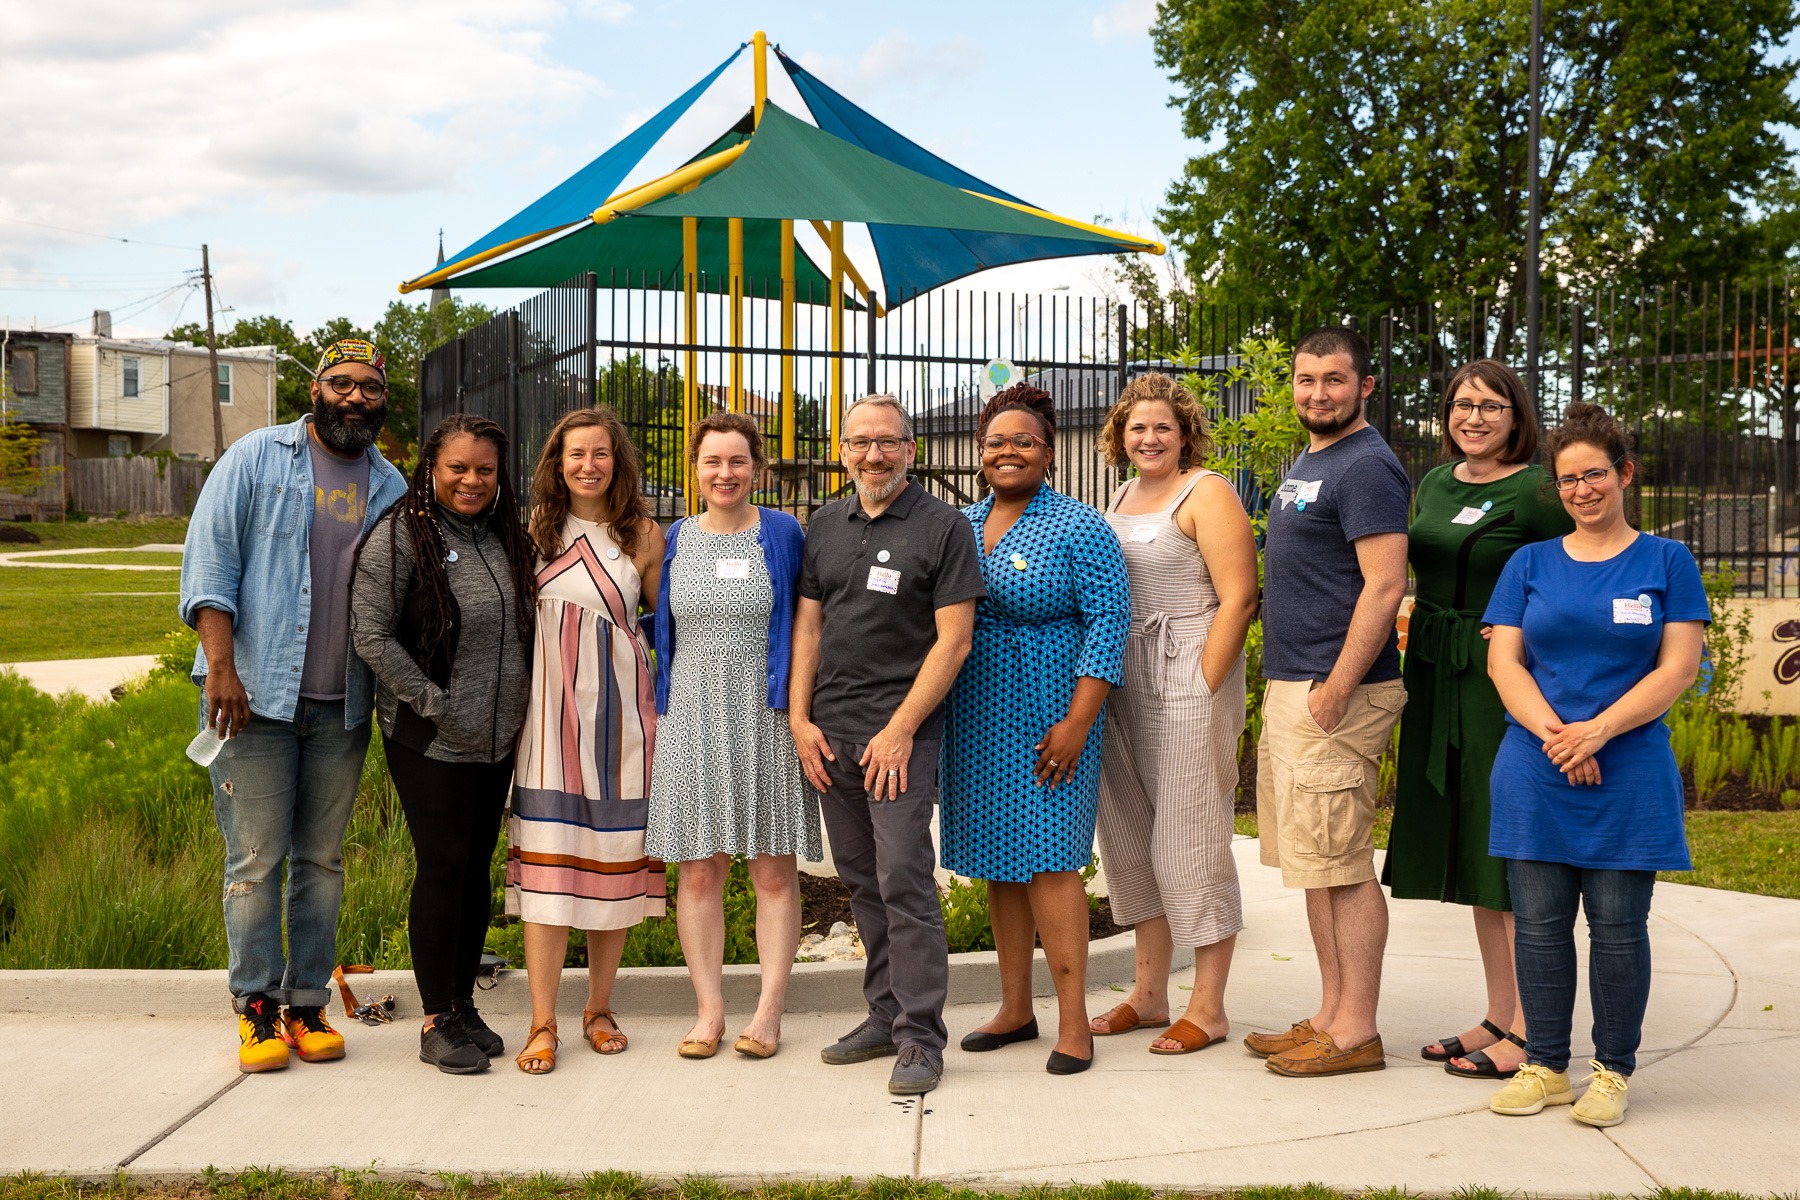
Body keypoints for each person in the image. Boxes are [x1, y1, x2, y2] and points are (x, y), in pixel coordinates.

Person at [178, 337, 407, 1073]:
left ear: (381, 400)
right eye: (341, 384)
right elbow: (211, 564)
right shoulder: (253, 458)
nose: (354, 398)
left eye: (368, 388)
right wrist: (221, 668)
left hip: (343, 708)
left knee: (322, 860)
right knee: (253, 860)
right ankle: (254, 1011)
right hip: (253, 700)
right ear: (315, 389)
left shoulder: (391, 487)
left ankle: (306, 1005)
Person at [1482, 402, 1708, 1128]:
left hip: (1629, 768)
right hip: (1535, 765)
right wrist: (1561, 737)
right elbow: (1503, 661)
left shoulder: (1666, 561)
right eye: (1569, 479)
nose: (1582, 490)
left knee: (1617, 928)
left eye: (1596, 475)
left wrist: (1598, 733)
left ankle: (1612, 1070)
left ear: (1625, 475)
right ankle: (1546, 1064)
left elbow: (1677, 668)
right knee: (1540, 926)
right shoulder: (1530, 562)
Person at [790, 392, 986, 1096]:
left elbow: (955, 640)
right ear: (842, 450)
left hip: (900, 738)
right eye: (859, 442)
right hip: (831, 736)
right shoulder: (824, 524)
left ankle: (920, 1040)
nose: (873, 454)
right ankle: (883, 1016)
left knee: (904, 880)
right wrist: (799, 720)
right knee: (863, 883)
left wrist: (901, 731)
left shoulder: (944, 528)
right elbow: (808, 630)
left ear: (912, 450)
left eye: (888, 442)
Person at [1382, 360, 1572, 1081]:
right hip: (1436, 671)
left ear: (1517, 415)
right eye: (1463, 405)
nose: (1475, 418)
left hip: (1501, 681)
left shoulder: (1538, 490)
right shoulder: (1434, 483)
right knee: (1469, 841)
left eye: (1492, 406)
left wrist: (1526, 630)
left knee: (1510, 842)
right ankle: (1498, 1012)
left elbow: (1575, 568)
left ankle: (1532, 1028)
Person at [941, 383, 1131, 1076]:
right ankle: (1015, 1007)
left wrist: (1079, 720)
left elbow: (1110, 623)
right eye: (996, 442)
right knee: (998, 860)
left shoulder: (1080, 526)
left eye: (1023, 441)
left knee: (1051, 862)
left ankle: (1074, 1023)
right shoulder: (960, 523)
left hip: (1053, 710)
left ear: (1048, 453)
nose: (1008, 451)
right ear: (979, 453)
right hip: (978, 710)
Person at [1244, 326, 1410, 1078]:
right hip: (1298, 684)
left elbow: (1384, 585)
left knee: (1343, 864)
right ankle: (1329, 1015)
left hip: (1337, 692)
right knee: (1317, 862)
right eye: (1306, 380)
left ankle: (1357, 1032)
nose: (1318, 393)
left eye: (1334, 380)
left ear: (1365, 386)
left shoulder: (1369, 466)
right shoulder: (1315, 457)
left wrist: (1337, 688)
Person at [350, 413, 538, 1074]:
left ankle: (462, 1004)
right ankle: (435, 1020)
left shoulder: (506, 537)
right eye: (458, 467)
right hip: (427, 738)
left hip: (496, 739)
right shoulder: (402, 536)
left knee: (476, 864)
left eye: (484, 469)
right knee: (443, 863)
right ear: (433, 467)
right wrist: (436, 703)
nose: (472, 480)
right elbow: (371, 634)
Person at [1088, 372, 1257, 1054]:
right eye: (1137, 427)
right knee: (1130, 835)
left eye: (1162, 426)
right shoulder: (1123, 494)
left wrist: (1201, 682)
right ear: (1119, 437)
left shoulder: (1206, 491)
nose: (1149, 437)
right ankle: (1150, 994)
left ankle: (1209, 1006)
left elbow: (1240, 598)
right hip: (1123, 677)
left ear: (1184, 432)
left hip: (1185, 671)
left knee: (1192, 836)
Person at [647, 411, 820, 1060]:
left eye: (737, 461)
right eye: (713, 461)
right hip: (691, 719)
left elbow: (810, 626)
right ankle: (709, 1010)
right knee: (698, 871)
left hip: (768, 718)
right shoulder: (674, 539)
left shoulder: (784, 533)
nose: (725, 473)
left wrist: (801, 710)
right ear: (695, 469)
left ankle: (770, 1009)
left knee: (773, 871)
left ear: (757, 469)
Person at [506, 407, 666, 1075]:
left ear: (618, 462)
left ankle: (599, 1008)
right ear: (557, 461)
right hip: (546, 723)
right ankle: (542, 1022)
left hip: (622, 724)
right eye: (576, 454)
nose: (589, 465)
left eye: (601, 453)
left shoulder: (644, 535)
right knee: (548, 876)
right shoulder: (531, 531)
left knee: (611, 869)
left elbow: (663, 627)